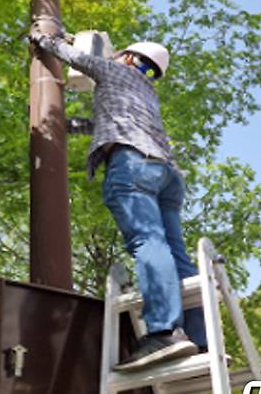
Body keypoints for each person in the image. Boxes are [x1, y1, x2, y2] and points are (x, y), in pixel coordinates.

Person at [29, 19, 207, 372]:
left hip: (133, 166)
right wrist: (72, 126)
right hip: (167, 174)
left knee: (148, 242)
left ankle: (164, 332)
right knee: (178, 255)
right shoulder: (145, 91)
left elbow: (80, 60)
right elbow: (112, 121)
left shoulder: (115, 71)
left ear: (128, 58)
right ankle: (198, 338)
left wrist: (44, 40)